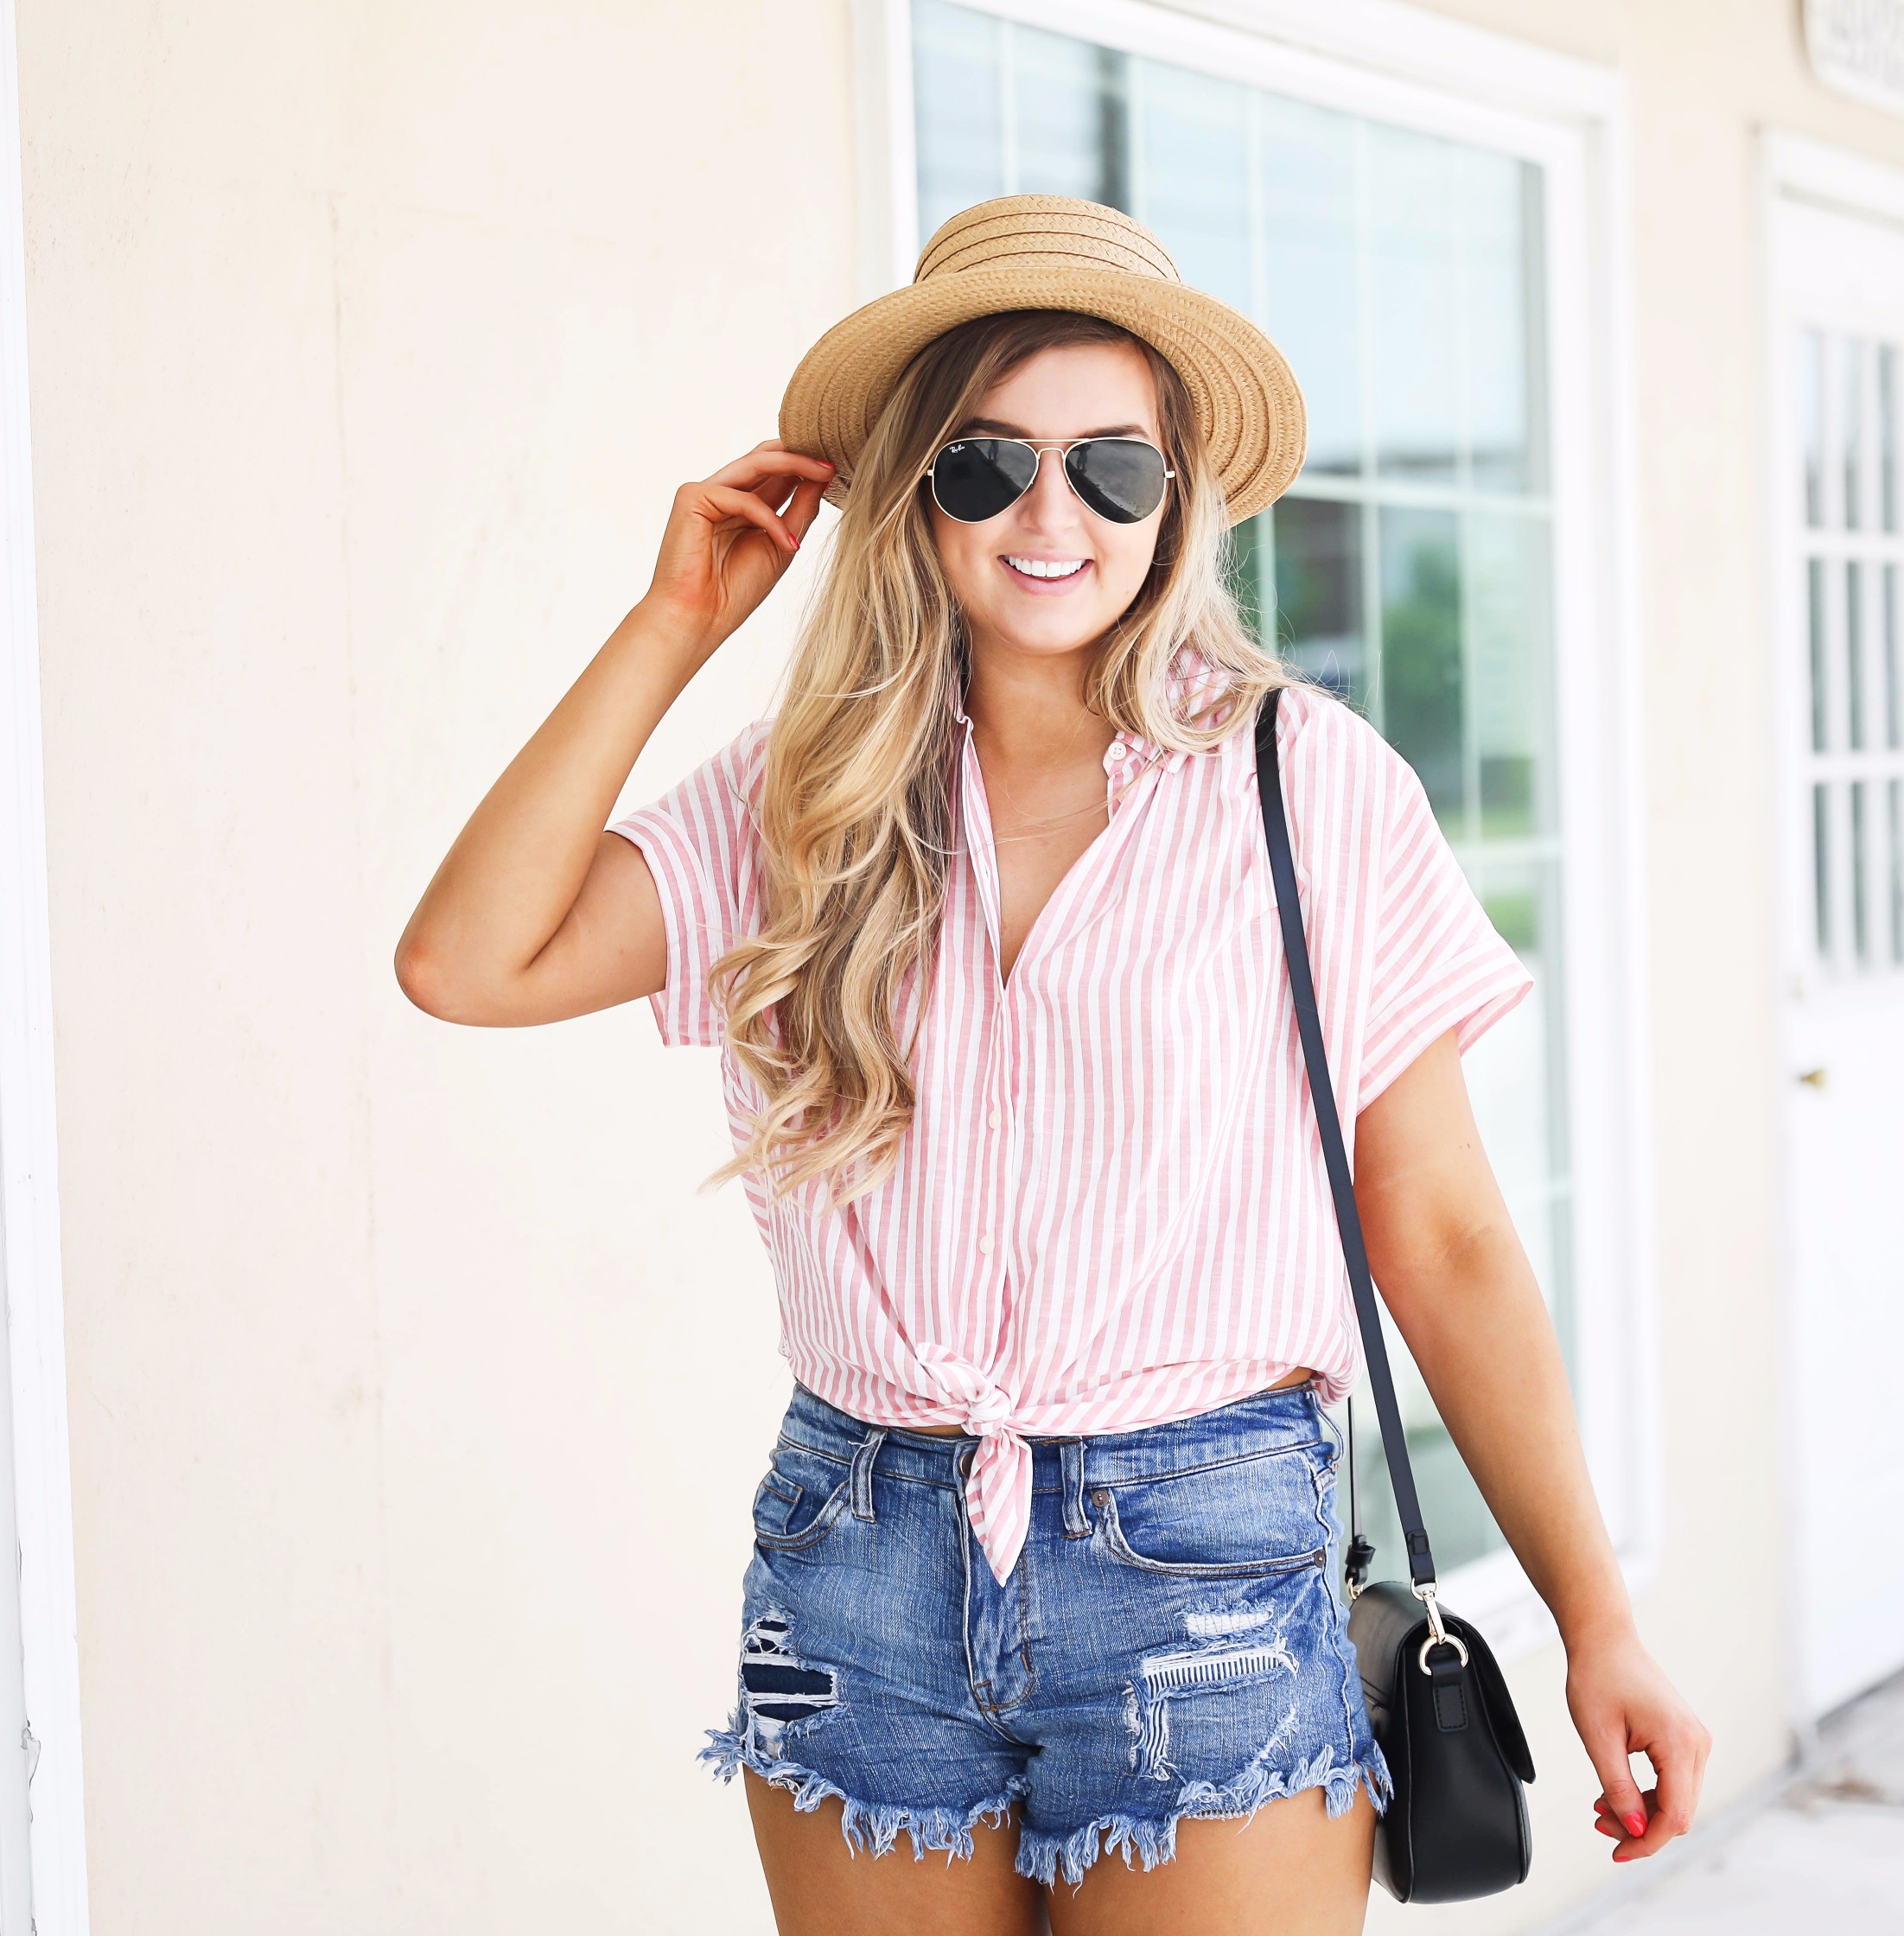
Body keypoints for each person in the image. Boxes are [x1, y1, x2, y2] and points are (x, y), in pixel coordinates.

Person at [397, 195, 1708, 1936]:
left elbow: (1448, 1236)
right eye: (987, 463)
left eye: (1111, 470)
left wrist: (1592, 1609)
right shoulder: (808, 796)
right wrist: (675, 621)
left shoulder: (1309, 785)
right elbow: (464, 963)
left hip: (1209, 1562)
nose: (1048, 515)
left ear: (1177, 505)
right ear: (913, 490)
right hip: (857, 1556)